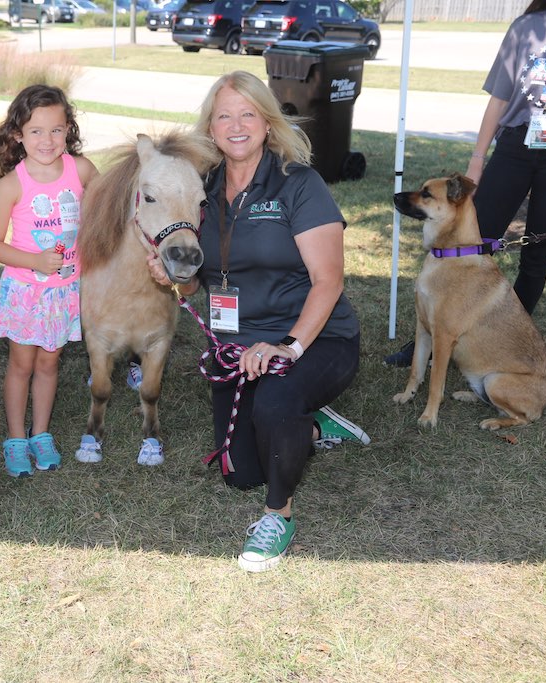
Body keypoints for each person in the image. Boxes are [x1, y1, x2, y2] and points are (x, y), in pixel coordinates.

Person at [148, 71, 368, 573]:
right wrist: (172, 277)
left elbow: (328, 281)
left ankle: (279, 516)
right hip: (239, 347)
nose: (236, 125)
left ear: (267, 124)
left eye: (248, 113)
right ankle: (311, 428)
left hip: (315, 337)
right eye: (224, 115)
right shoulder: (202, 190)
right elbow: (197, 282)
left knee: (277, 400)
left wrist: (288, 348)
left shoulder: (299, 184)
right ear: (210, 127)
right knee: (241, 472)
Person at [385, 0, 546, 367]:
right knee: (472, 244)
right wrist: (476, 162)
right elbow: (498, 98)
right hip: (515, 143)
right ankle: (431, 342)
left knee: (536, 255)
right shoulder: (529, 26)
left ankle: (506, 338)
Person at [0, 84, 98, 478]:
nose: (46, 140)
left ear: (68, 130)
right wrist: (34, 260)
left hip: (64, 292)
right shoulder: (12, 184)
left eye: (56, 130)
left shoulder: (81, 170)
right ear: (18, 134)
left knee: (50, 364)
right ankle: (15, 438)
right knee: (21, 364)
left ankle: (41, 433)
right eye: (35, 131)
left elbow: (103, 216)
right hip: (24, 292)